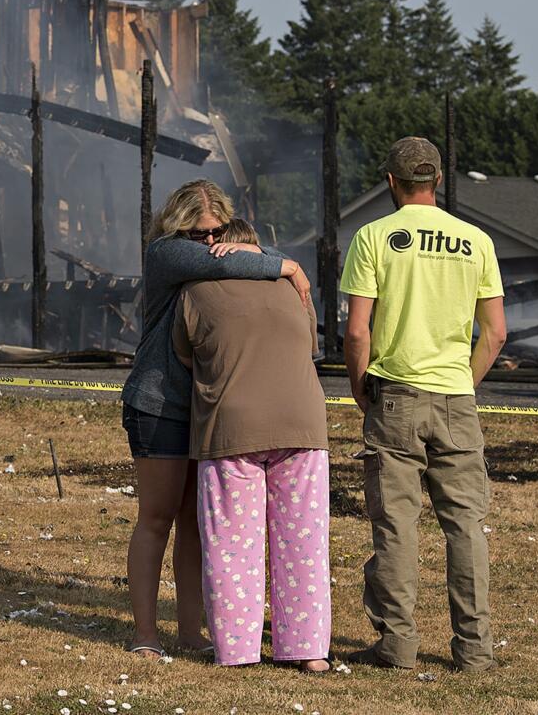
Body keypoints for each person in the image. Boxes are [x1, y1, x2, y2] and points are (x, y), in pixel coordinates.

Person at [121, 180, 311, 658]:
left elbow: (239, 256)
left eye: (216, 230)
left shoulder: (225, 251)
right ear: (176, 227)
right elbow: (235, 260)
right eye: (197, 233)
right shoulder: (166, 253)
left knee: (195, 522)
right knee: (157, 517)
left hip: (208, 407)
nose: (208, 241)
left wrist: (255, 251)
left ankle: (190, 633)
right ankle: (145, 635)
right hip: (159, 403)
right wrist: (286, 266)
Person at [340, 137, 507, 672]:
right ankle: (475, 651)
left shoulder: (374, 237)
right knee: (465, 525)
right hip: (456, 396)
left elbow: (358, 330)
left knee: (396, 524)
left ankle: (397, 646)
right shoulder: (476, 240)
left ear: (391, 182)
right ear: (436, 181)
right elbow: (496, 333)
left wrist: (360, 385)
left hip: (396, 393)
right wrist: (465, 381)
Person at [171, 219, 331, 672]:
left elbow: (186, 356)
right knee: (303, 544)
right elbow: (309, 346)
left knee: (231, 547)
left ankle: (237, 652)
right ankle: (308, 652)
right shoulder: (294, 290)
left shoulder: (195, 293)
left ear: (218, 251)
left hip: (230, 430)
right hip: (302, 424)